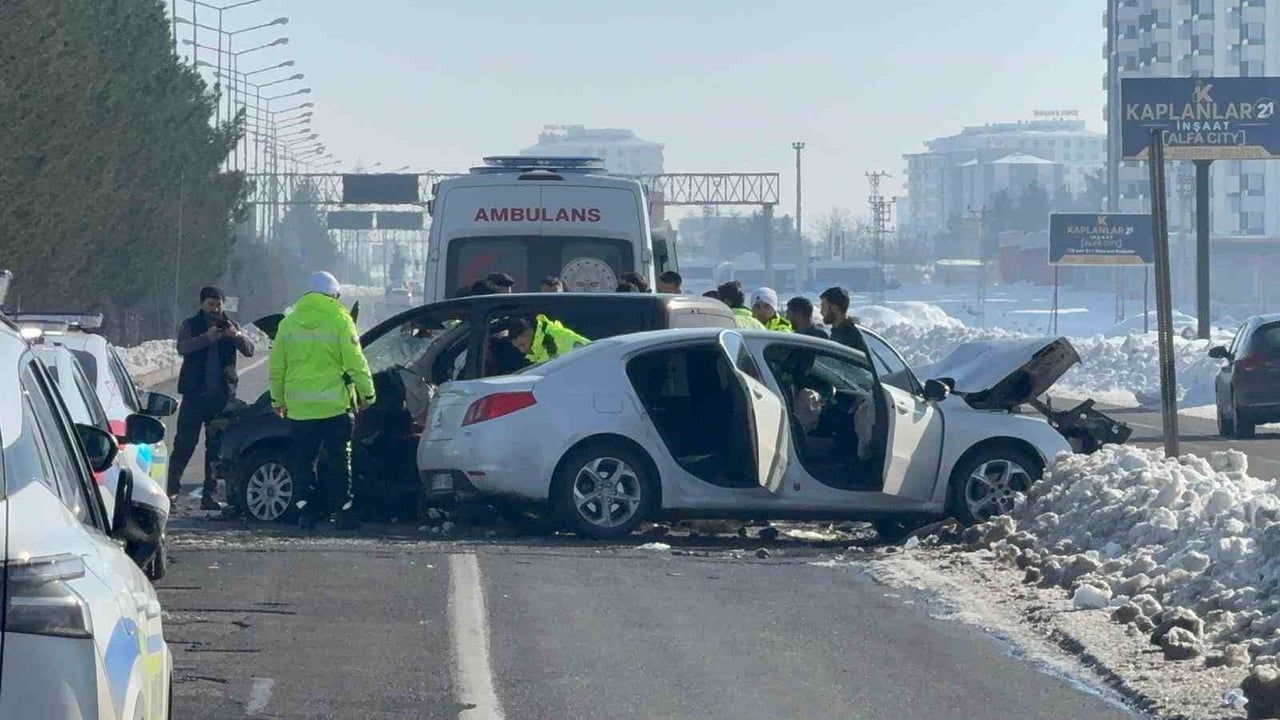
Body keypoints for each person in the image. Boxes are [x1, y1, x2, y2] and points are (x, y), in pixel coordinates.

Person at [270, 271, 376, 531]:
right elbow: (355, 361)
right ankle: (343, 512)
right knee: (340, 459)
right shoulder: (341, 319)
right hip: (334, 407)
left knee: (304, 461)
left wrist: (277, 399)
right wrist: (368, 393)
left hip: (300, 409)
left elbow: (277, 367)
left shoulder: (289, 322)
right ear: (334, 294)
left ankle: (306, 511)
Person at [168, 286, 255, 508]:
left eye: (218, 305)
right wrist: (206, 338)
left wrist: (235, 336)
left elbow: (249, 350)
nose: (215, 309)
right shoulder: (190, 325)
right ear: (202, 304)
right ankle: (172, 489)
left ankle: (210, 494)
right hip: (194, 395)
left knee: (215, 449)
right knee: (185, 444)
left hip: (222, 397)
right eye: (210, 304)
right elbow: (183, 348)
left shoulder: (231, 325)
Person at [518, 314, 590, 362]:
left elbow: (593, 357)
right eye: (518, 347)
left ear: (529, 332)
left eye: (522, 345)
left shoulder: (560, 337)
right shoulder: (538, 351)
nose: (522, 351)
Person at [819, 286, 863, 350]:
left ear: (835, 308)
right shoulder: (837, 332)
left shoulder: (850, 336)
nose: (821, 312)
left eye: (823, 306)